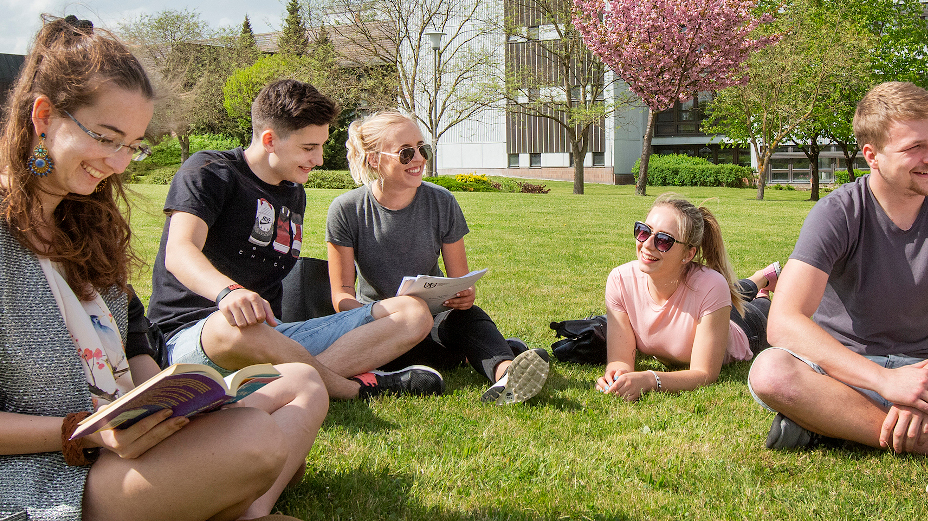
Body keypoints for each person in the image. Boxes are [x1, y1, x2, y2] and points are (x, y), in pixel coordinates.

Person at [0, 15, 327, 521]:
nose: (118, 163)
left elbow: (135, 342)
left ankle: (215, 509)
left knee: (301, 383)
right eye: (105, 138)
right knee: (256, 439)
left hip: (130, 442)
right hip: (42, 481)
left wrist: (168, 405)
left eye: (132, 147)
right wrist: (84, 430)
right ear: (43, 117)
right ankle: (206, 519)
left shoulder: (85, 223)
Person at [746, 82, 928, 453]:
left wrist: (925, 383)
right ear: (872, 156)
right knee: (771, 372)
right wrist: (885, 382)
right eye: (915, 147)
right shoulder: (837, 213)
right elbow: (783, 321)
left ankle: (834, 424)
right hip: (845, 375)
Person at [149, 80, 442, 401]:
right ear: (270, 140)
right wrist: (228, 293)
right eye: (308, 148)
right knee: (233, 327)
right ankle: (350, 389)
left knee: (413, 313)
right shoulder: (211, 171)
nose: (319, 159)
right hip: (195, 337)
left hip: (274, 337)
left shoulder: (294, 193)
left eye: (321, 146)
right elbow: (180, 250)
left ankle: (279, 384)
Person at [324, 110, 553, 404]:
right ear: (374, 159)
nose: (419, 159)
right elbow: (341, 295)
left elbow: (460, 279)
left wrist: (465, 294)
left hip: (436, 319)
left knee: (468, 317)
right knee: (412, 353)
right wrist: (378, 315)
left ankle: (507, 374)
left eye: (423, 149)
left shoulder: (442, 201)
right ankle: (490, 349)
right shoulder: (346, 209)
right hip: (379, 326)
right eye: (406, 153)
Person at [595, 194, 780, 400]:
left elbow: (704, 373)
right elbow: (621, 360)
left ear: (688, 254)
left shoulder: (711, 285)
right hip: (711, 309)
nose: (647, 244)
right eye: (643, 231)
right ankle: (761, 278)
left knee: (763, 306)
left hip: (747, 327)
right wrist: (617, 375)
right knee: (732, 292)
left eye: (663, 240)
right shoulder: (620, 280)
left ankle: (763, 288)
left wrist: (650, 379)